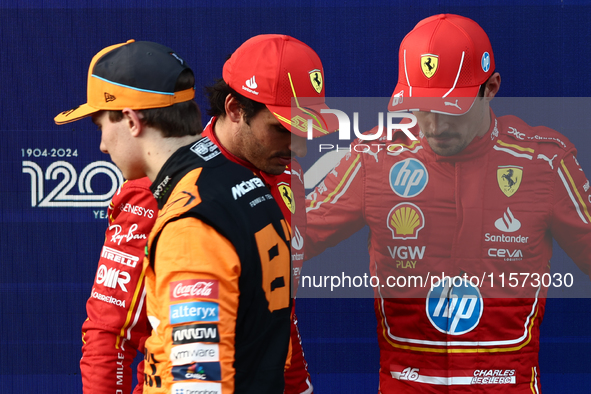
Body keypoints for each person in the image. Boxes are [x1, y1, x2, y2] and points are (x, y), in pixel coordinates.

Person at [305, 14, 591, 393]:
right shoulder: (374, 158)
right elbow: (286, 240)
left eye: (451, 109)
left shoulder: (545, 162)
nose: (434, 126)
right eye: (421, 107)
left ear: (491, 88)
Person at [55, 39, 292, 393]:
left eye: (100, 124)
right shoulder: (249, 182)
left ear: (131, 120)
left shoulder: (190, 219)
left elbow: (198, 380)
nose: (102, 145)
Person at [203, 34, 336, 394]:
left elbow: (280, 308)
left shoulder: (288, 173)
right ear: (234, 109)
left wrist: (298, 387)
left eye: (306, 130)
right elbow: (112, 336)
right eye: (282, 129)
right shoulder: (173, 184)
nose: (299, 147)